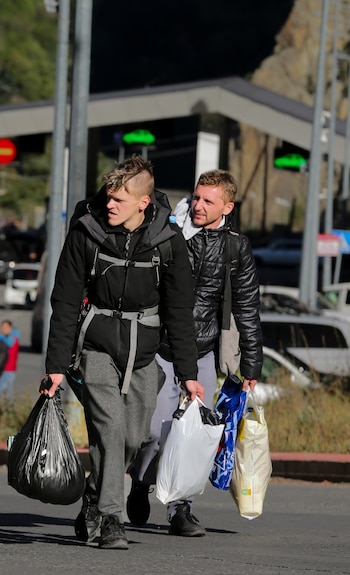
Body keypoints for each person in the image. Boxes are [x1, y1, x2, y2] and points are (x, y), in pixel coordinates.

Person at [40, 155, 202, 550]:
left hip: (144, 350)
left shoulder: (169, 241)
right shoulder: (87, 231)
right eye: (109, 197)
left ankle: (95, 495)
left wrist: (188, 371)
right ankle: (112, 519)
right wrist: (56, 366)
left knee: (134, 436)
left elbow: (179, 311)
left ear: (143, 203)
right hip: (95, 345)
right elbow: (63, 301)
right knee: (110, 430)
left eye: (121, 200)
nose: (110, 205)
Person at [127, 169, 263, 537]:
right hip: (159, 346)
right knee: (153, 433)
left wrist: (251, 363)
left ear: (228, 207)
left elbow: (247, 307)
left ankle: (180, 509)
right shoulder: (173, 234)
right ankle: (140, 483)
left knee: (192, 434)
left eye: (208, 201)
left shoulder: (236, 248)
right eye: (196, 198)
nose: (199, 206)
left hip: (202, 350)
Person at [0, 321, 20, 399]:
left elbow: (7, 343)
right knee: (7, 389)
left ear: (10, 328)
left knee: (2, 389)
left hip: (8, 368)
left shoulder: (11, 338)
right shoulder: (13, 337)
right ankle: (8, 407)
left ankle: (7, 407)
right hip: (9, 368)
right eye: (2, 327)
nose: (2, 329)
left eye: (5, 327)